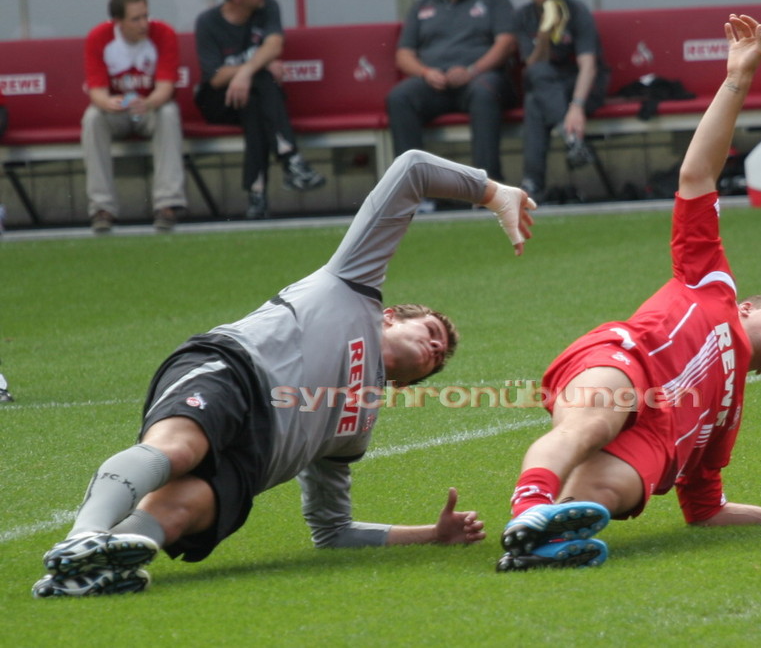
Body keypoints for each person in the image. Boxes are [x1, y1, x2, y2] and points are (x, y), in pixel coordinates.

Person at [32, 149, 537, 597]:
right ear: (391, 316)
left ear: (404, 386)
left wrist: (431, 534)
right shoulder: (354, 282)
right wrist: (494, 194)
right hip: (236, 372)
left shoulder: (357, 427)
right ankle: (82, 539)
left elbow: (332, 531)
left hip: (252, 461)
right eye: (431, 330)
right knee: (181, 449)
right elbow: (413, 169)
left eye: (441, 354)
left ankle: (91, 571)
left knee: (184, 507)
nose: (436, 346)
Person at [496, 14, 761, 573]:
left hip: (663, 430)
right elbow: (697, 175)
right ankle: (529, 507)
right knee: (588, 426)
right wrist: (738, 80)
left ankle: (546, 537)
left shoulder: (728, 413)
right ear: (748, 308)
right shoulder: (712, 281)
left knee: (615, 488)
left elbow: (706, 511)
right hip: (628, 360)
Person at [194, 0, 326, 220]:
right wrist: (256, 66)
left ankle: (257, 196)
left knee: (256, 104)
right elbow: (215, 78)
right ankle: (291, 160)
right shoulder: (208, 22)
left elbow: (274, 45)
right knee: (263, 79)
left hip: (253, 98)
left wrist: (246, 72)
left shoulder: (267, 8)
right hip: (217, 102)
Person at [387, 0, 517, 183]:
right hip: (435, 84)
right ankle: (413, 189)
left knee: (485, 91)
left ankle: (487, 187)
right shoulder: (422, 5)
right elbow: (403, 55)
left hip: (479, 79)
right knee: (399, 97)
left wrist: (472, 70)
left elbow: (506, 43)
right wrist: (426, 72)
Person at [82, 0, 187, 234]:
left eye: (145, 16)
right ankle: (102, 208)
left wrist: (148, 103)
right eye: (136, 19)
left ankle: (167, 204)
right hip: (117, 112)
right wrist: (108, 103)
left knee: (169, 112)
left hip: (150, 109)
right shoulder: (99, 38)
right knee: (93, 117)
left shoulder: (163, 34)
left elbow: (165, 88)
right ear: (118, 22)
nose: (144, 24)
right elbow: (96, 91)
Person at [513, 0, 609, 202]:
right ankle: (573, 141)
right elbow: (532, 64)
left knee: (535, 101)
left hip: (583, 87)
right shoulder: (524, 16)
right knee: (536, 85)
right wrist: (544, 35)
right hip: (547, 86)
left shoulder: (576, 10)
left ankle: (532, 182)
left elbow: (588, 65)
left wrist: (576, 106)